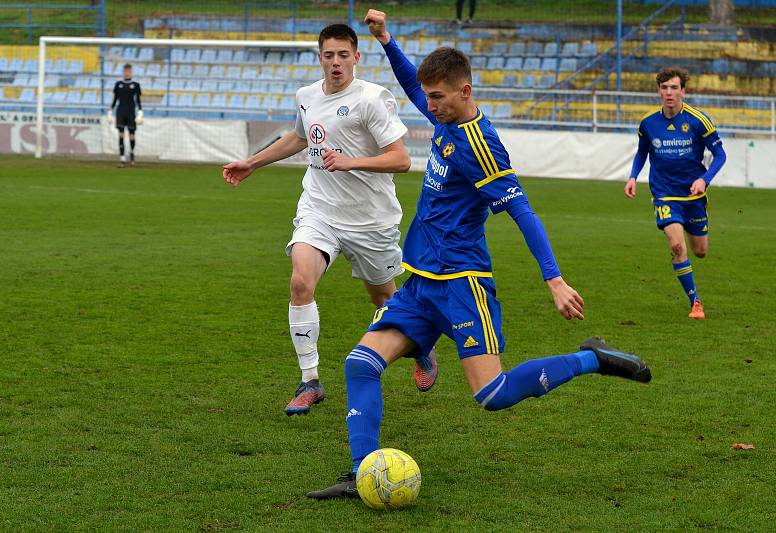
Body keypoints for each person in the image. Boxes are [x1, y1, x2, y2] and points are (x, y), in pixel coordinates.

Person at [306, 9, 652, 500]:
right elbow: (412, 85)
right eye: (429, 97)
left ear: (466, 92)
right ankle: (364, 472)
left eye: (439, 97)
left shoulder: (481, 145)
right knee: (360, 364)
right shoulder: (443, 114)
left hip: (462, 285)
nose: (430, 105)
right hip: (420, 284)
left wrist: (554, 279)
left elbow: (523, 212)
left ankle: (589, 359)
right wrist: (386, 41)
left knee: (492, 395)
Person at [222, 24, 438, 416]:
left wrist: (351, 161)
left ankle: (422, 345)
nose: (336, 62)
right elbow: (300, 137)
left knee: (385, 298)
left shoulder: (373, 99)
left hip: (370, 219)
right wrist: (252, 161)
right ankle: (310, 381)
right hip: (320, 208)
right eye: (328, 55)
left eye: (343, 55)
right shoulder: (307, 96)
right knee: (300, 280)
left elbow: (401, 159)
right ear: (319, 57)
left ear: (357, 57)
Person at [625, 67, 726, 320]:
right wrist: (633, 177)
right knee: (678, 246)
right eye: (664, 88)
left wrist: (704, 179)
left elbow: (720, 155)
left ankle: (692, 271)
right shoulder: (648, 123)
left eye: (673, 88)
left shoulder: (697, 120)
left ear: (683, 91)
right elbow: (642, 152)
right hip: (664, 193)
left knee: (700, 251)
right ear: (659, 91)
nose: (668, 93)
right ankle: (695, 302)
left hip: (692, 194)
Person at [108, 63, 142, 168]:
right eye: (125, 71)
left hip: (131, 112)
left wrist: (140, 112)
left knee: (132, 135)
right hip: (121, 112)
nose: (127, 73)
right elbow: (115, 99)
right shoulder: (118, 84)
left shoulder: (136, 85)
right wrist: (110, 111)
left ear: (131, 72)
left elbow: (138, 100)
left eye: (129, 71)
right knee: (121, 135)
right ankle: (122, 158)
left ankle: (132, 156)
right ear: (123, 72)